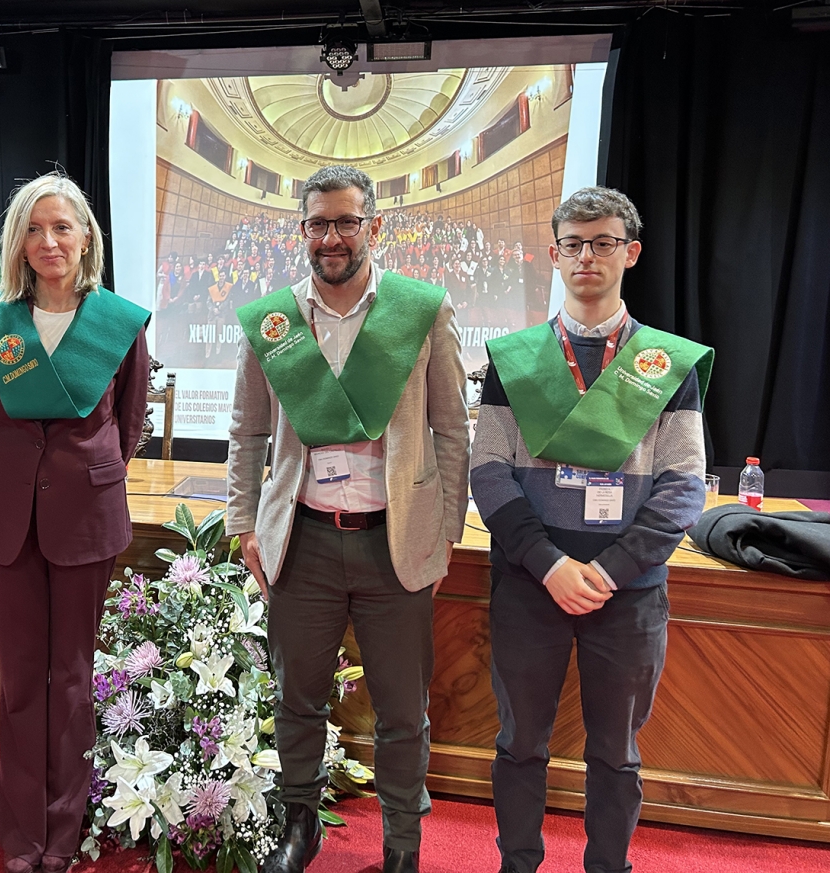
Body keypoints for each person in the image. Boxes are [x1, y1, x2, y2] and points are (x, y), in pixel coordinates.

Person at [227, 165, 470, 873]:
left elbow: (452, 429)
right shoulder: (272, 320)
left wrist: (446, 529)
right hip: (301, 541)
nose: (332, 237)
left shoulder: (422, 309)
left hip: (393, 543)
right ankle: (298, 825)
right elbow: (245, 434)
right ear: (301, 230)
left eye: (346, 222)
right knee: (296, 696)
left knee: (402, 710)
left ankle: (402, 842)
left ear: (374, 226)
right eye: (318, 224)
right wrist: (246, 523)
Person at [470, 187, 712, 873]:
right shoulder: (514, 360)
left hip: (628, 590)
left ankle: (610, 865)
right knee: (520, 743)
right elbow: (488, 469)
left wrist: (607, 571)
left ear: (630, 253)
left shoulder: (666, 366)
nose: (587, 256)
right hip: (528, 581)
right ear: (553, 253)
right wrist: (548, 562)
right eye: (573, 244)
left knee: (615, 750)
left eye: (603, 242)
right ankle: (518, 862)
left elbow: (682, 486)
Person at [0, 172, 150, 873]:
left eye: (62, 227)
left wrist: (80, 476)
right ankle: (21, 837)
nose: (49, 241)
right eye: (34, 229)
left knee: (71, 679)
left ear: (86, 237)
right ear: (17, 242)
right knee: (17, 680)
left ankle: (63, 835)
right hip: (12, 519)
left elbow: (128, 425)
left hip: (84, 518)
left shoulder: (118, 322)